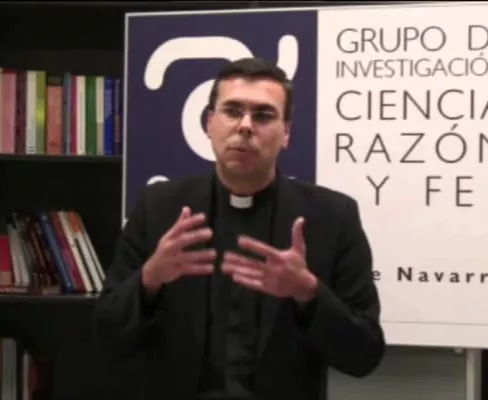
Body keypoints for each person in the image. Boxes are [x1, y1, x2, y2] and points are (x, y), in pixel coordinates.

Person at [92, 57, 385, 400]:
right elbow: (105, 339)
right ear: (209, 123)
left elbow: (364, 356)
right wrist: (149, 279)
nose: (245, 126)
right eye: (232, 111)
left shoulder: (332, 217)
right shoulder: (159, 208)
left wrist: (309, 293)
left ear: (286, 133)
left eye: (263, 115)